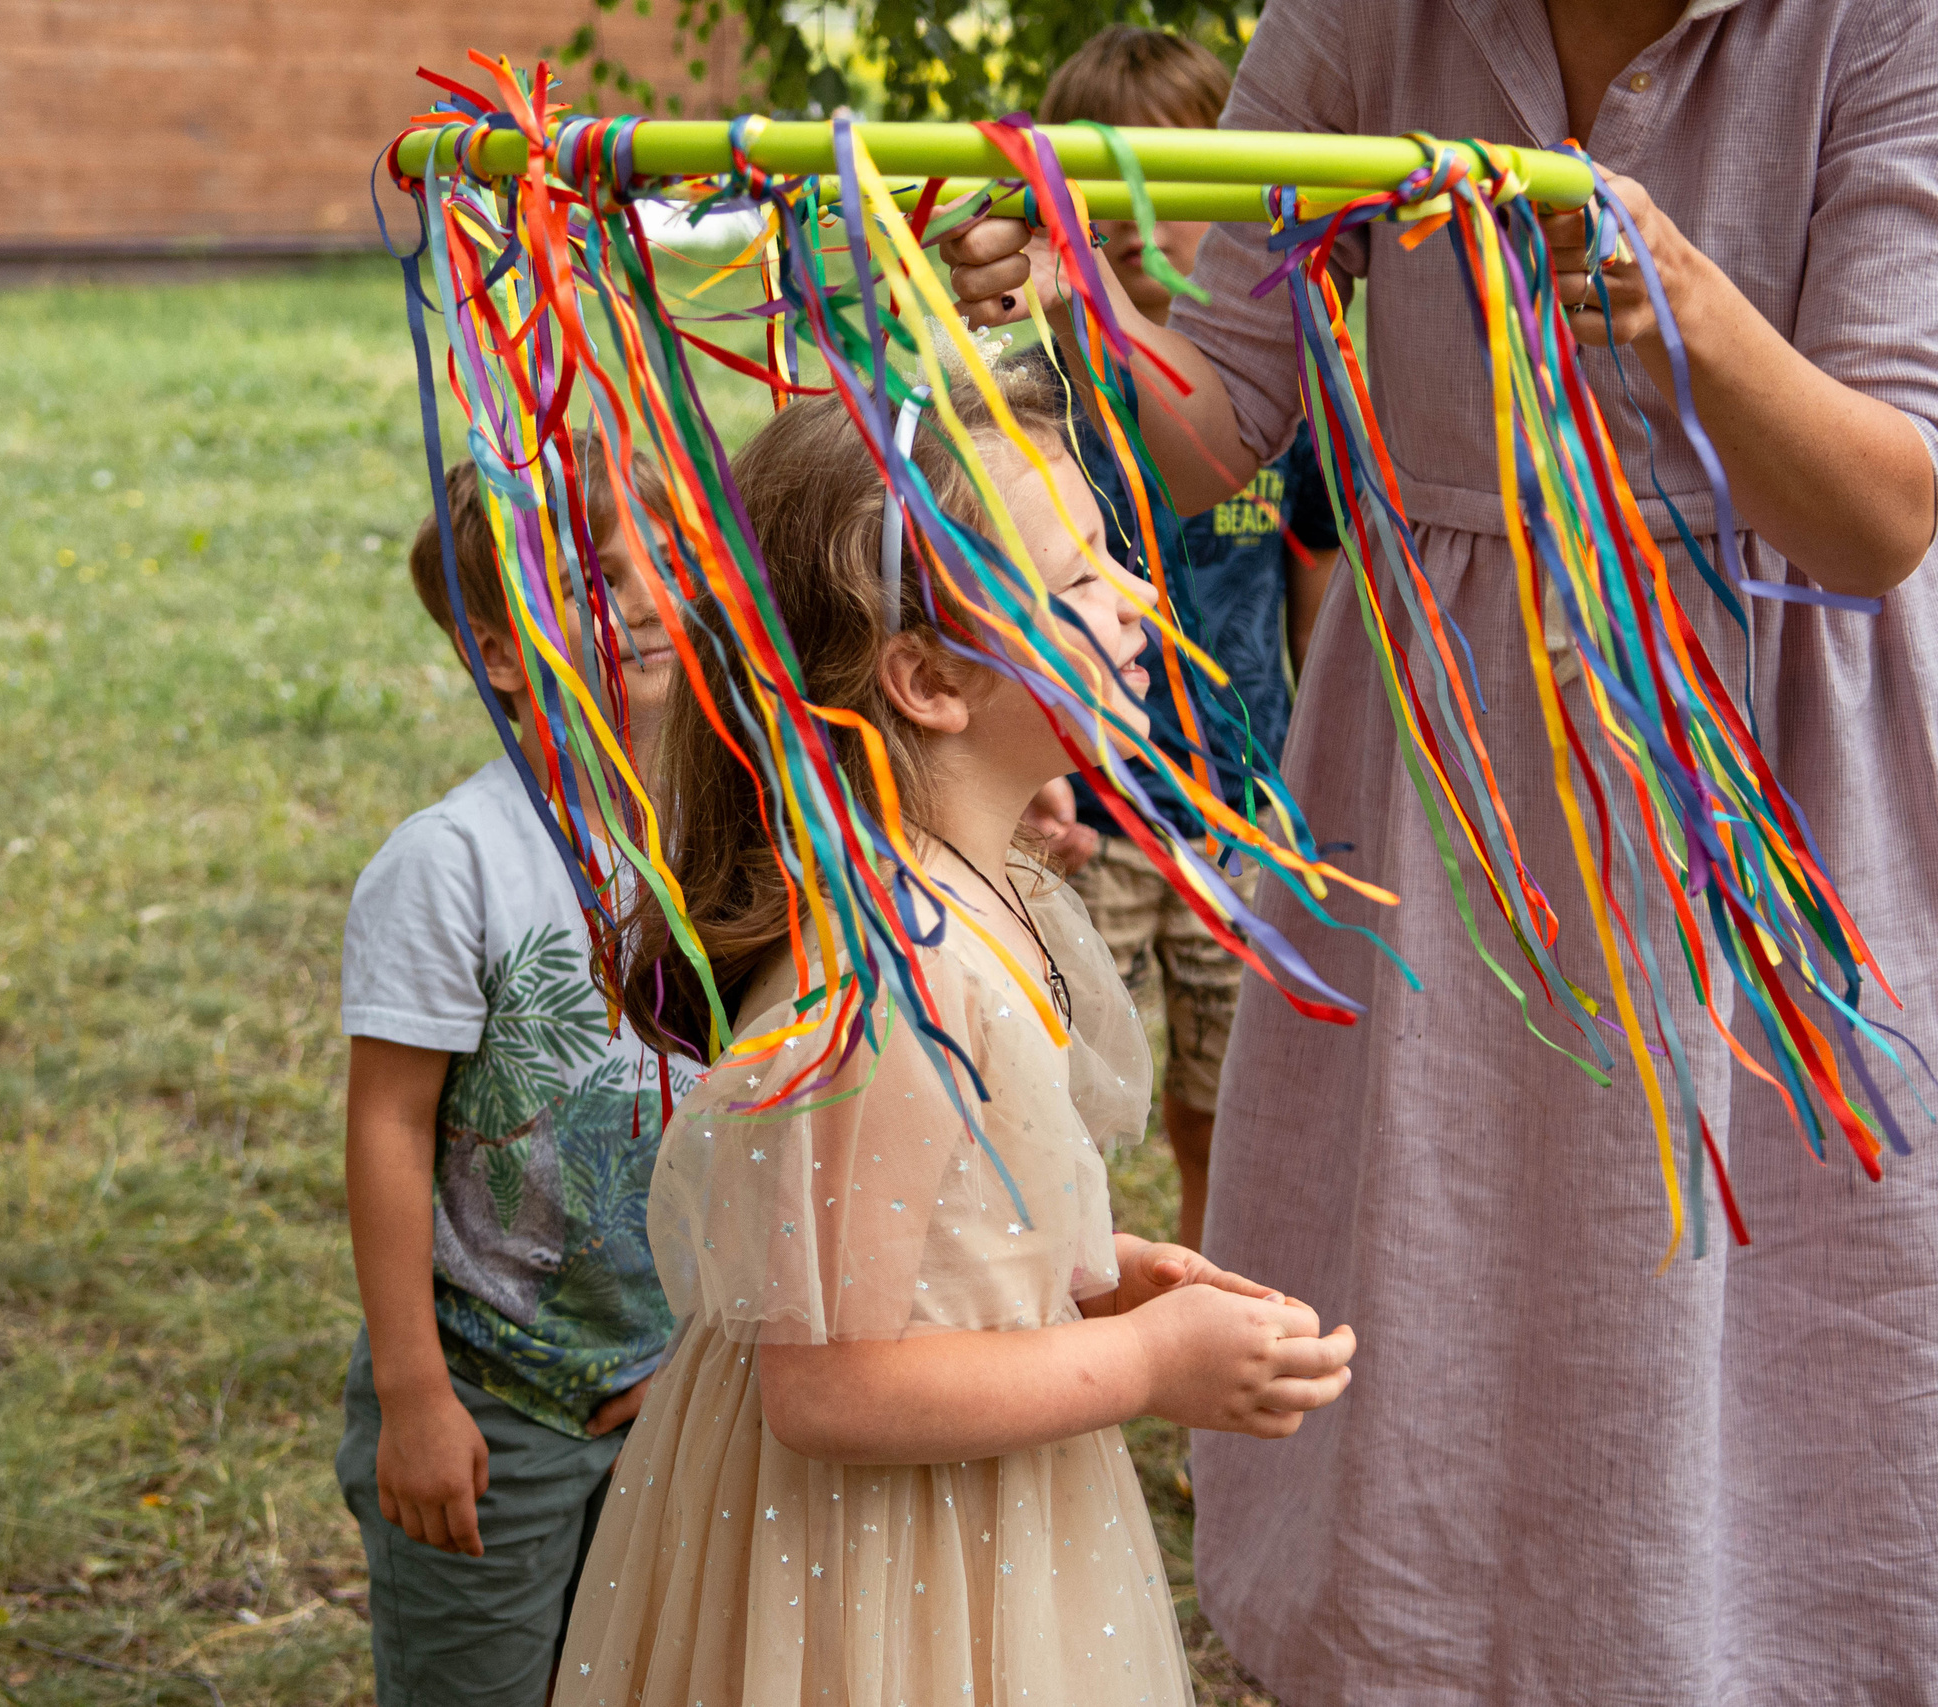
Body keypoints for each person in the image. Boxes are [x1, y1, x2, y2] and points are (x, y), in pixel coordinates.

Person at [943, 2, 1938, 1698]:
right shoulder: (1358, 22)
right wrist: (1078, 305)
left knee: (1764, 1287)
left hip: (1760, 765)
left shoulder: (1880, 28)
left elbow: (1881, 503)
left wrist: (1692, 309)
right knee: (1452, 1251)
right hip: (1448, 761)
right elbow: (1213, 430)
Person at [552, 372, 1356, 1706]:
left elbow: (931, 1224)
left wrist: (1086, 1276)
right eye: (1082, 573)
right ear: (927, 679)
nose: (1142, 594)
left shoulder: (971, 893)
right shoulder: (897, 982)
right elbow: (833, 1388)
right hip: (876, 1570)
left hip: (964, 1514)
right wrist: (1146, 1364)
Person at [337, 443, 692, 1706]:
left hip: (674, 1392)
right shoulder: (452, 863)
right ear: (499, 649)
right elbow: (386, 1126)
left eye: (665, 560)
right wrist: (415, 1397)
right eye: (602, 577)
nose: (647, 598)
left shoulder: (737, 833)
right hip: (494, 1406)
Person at [1017, 25, 1343, 1252]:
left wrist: (1306, 769)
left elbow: (1309, 564)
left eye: (1185, 188)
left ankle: (1204, 1305)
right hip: (1083, 821)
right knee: (1060, 1101)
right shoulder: (1034, 389)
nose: (1147, 228)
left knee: (1223, 1103)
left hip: (1236, 814)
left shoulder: (1290, 391)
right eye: (1111, 196)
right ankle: (1068, 1312)